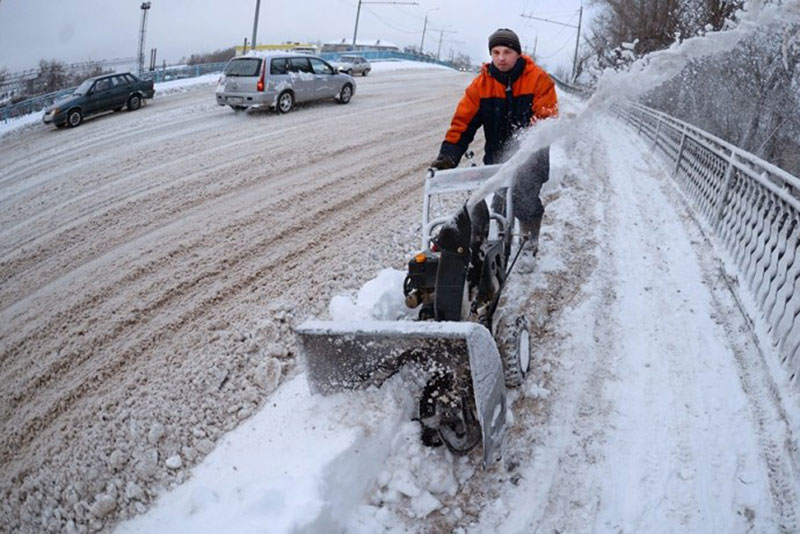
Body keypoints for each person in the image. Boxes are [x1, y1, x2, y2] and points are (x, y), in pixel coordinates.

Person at [430, 28, 558, 255]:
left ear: (518, 53)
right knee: (499, 205)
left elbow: (546, 119)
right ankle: (499, 248)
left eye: (507, 52)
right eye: (496, 52)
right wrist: (449, 155)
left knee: (525, 202)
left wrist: (530, 146)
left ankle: (529, 246)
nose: (501, 58)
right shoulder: (481, 85)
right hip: (497, 158)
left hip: (532, 158)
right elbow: (463, 122)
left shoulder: (538, 79)